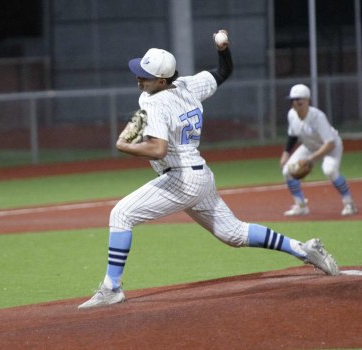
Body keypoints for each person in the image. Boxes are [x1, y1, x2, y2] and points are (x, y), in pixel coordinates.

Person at [78, 30, 340, 309]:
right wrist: (223, 48)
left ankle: (112, 288)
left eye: (145, 75)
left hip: (180, 178)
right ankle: (304, 249)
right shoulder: (188, 85)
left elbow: (157, 150)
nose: (138, 77)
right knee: (234, 234)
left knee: (121, 214)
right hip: (199, 175)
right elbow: (224, 71)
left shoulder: (152, 101)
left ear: (162, 80)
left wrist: (125, 145)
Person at [280, 84, 358, 216]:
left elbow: (330, 143)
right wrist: (286, 153)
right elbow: (292, 135)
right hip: (310, 146)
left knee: (330, 170)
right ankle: (301, 206)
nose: (295, 102)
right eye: (292, 99)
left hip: (331, 146)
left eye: (298, 99)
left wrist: (310, 160)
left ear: (307, 101)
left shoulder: (317, 117)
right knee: (288, 170)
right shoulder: (292, 114)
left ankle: (349, 204)